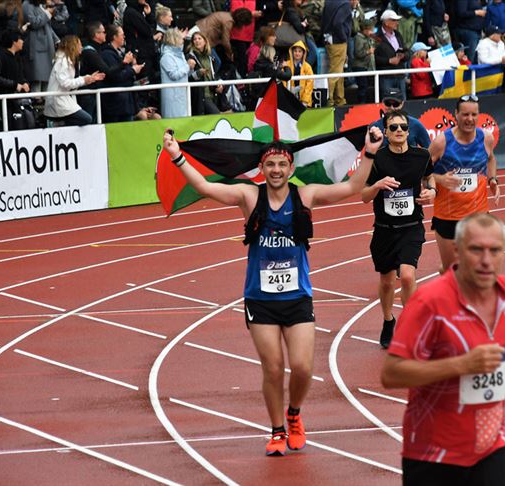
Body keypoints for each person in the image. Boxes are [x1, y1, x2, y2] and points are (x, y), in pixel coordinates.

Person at [160, 125, 379, 456]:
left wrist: (371, 152)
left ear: (291, 168)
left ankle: (294, 415)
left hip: (297, 297)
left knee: (303, 367)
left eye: (282, 165)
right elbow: (204, 186)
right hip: (260, 299)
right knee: (274, 368)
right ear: (261, 169)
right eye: (270, 165)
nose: (276, 170)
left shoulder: (305, 196)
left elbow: (353, 186)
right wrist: (177, 156)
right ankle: (277, 429)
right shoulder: (249, 196)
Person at [380, 212, 505, 485]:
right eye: (476, 250)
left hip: (491, 444)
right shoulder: (429, 302)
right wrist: (461, 365)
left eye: (495, 250)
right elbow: (391, 374)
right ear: (457, 250)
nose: (486, 260)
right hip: (434, 452)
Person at [361, 110, 435, 349]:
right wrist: (378, 186)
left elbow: (430, 180)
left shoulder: (421, 156)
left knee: (407, 275)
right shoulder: (377, 160)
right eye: (393, 128)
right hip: (384, 228)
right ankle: (388, 320)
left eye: (403, 127)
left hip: (411, 227)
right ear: (385, 132)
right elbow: (363, 195)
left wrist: (431, 192)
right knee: (386, 282)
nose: (399, 131)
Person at [428, 95, 500, 272]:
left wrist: (493, 179)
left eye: (474, 115)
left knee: (476, 266)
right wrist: (440, 179)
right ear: (456, 114)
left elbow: (491, 158)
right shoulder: (441, 142)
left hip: (478, 214)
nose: (470, 119)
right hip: (448, 216)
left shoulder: (486, 138)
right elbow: (421, 172)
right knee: (451, 270)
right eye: (465, 114)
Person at [45, 35, 105, 125]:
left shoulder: (68, 61)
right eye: (79, 44)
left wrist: (89, 79)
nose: (81, 47)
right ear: (73, 46)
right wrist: (85, 79)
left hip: (64, 100)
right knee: (86, 119)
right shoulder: (63, 61)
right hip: (59, 101)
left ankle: (62, 127)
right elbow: (65, 83)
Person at [0, 30, 33, 130]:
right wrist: (14, 85)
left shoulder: (17, 57)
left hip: (16, 99)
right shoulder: (0, 56)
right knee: (8, 126)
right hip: (4, 100)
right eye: (20, 39)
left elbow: (20, 75)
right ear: (14, 41)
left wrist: (25, 83)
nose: (23, 42)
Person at [101, 24, 143, 122]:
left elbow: (125, 74)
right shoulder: (107, 54)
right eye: (122, 34)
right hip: (116, 105)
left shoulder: (120, 53)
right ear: (114, 37)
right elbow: (116, 76)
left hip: (126, 103)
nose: (124, 37)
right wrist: (133, 70)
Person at [23, 0, 60, 92]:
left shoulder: (40, 4)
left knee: (47, 76)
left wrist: (56, 39)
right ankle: (36, 99)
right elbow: (33, 23)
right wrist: (47, 13)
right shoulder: (27, 4)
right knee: (37, 75)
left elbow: (48, 26)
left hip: (47, 43)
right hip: (35, 43)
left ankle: (45, 99)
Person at [321, 0, 351, 107]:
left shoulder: (329, 2)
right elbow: (337, 23)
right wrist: (343, 37)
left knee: (338, 69)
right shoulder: (345, 4)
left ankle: (339, 99)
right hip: (338, 41)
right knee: (336, 71)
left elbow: (323, 20)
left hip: (329, 39)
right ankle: (330, 99)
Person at [374, 9, 407, 100]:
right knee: (387, 102)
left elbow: (406, 51)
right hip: (386, 76)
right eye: (394, 20)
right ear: (386, 22)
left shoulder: (398, 35)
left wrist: (403, 56)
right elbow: (373, 58)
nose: (397, 23)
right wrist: (389, 61)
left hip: (399, 75)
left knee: (402, 102)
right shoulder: (376, 37)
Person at [159, 28, 189, 119]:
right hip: (172, 97)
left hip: (182, 94)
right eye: (180, 38)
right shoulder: (166, 57)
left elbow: (185, 73)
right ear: (174, 39)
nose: (182, 40)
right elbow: (174, 75)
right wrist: (188, 66)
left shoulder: (181, 54)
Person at [283, 40, 313, 107]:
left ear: (303, 53)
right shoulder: (286, 64)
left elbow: (309, 85)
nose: (297, 53)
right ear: (292, 52)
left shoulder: (307, 67)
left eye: (300, 51)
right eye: (295, 51)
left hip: (303, 100)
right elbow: (283, 81)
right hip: (289, 98)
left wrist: (305, 101)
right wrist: (288, 93)